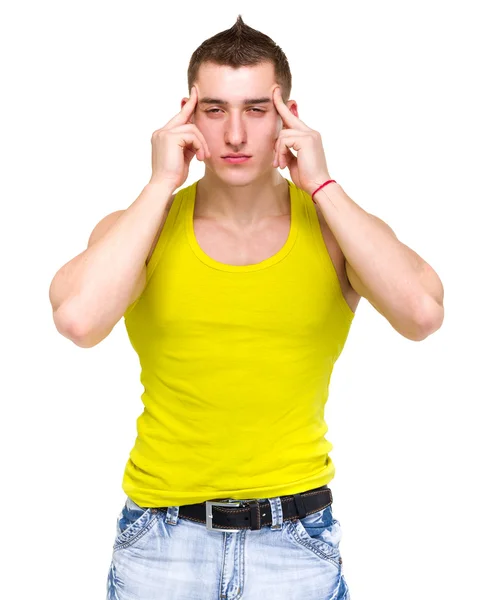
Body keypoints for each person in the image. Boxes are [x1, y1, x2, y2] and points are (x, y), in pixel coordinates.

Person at [49, 15, 444, 600]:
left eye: (257, 110)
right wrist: (161, 184)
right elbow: (79, 320)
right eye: (215, 110)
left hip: (295, 541)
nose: (235, 134)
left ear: (289, 117)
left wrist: (323, 184)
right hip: (161, 542)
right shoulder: (143, 231)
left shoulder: (335, 231)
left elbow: (423, 314)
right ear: (186, 115)